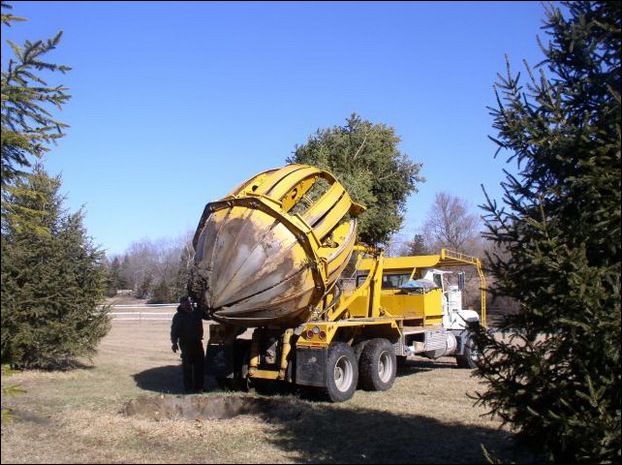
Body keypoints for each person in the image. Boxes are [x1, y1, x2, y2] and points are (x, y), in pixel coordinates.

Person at [170, 296, 205, 393]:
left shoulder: (196, 313)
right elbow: (174, 330)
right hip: (185, 343)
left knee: (200, 365)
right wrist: (174, 343)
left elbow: (207, 316)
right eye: (184, 302)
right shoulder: (178, 316)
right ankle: (189, 388)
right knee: (187, 367)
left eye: (188, 302)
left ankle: (199, 387)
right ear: (181, 304)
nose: (187, 304)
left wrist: (201, 305)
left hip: (197, 342)